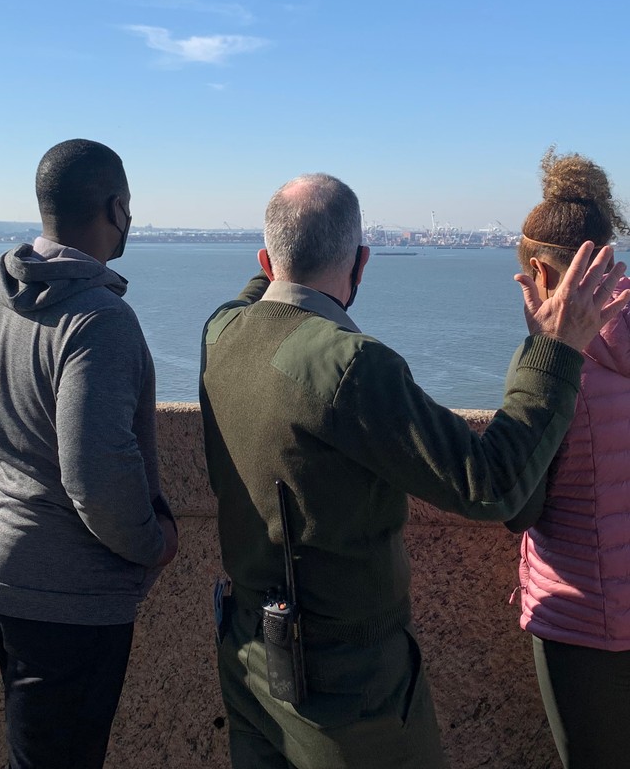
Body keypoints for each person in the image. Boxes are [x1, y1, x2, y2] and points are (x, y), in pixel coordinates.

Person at [199, 172, 629, 769]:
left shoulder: (221, 330)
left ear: (266, 262)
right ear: (362, 262)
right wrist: (554, 351)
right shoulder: (351, 364)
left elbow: (258, 292)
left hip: (248, 652)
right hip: (348, 684)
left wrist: (282, 263)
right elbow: (492, 486)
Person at [0, 138, 179, 769]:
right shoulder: (99, 319)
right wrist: (154, 543)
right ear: (116, 208)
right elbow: (95, 475)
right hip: (65, 590)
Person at [506, 150, 630, 769]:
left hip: (583, 619)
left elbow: (515, 500)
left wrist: (541, 358)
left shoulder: (556, 369)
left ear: (538, 270)